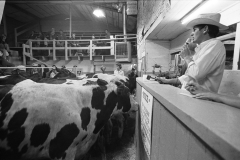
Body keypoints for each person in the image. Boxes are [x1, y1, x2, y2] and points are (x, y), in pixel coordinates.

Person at [157, 13, 228, 93]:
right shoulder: (200, 49)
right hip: (190, 96)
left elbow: (196, 74)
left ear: (205, 29)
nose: (192, 34)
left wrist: (187, 57)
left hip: (201, 101)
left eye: (195, 30)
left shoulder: (215, 45)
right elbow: (188, 77)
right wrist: (166, 81)